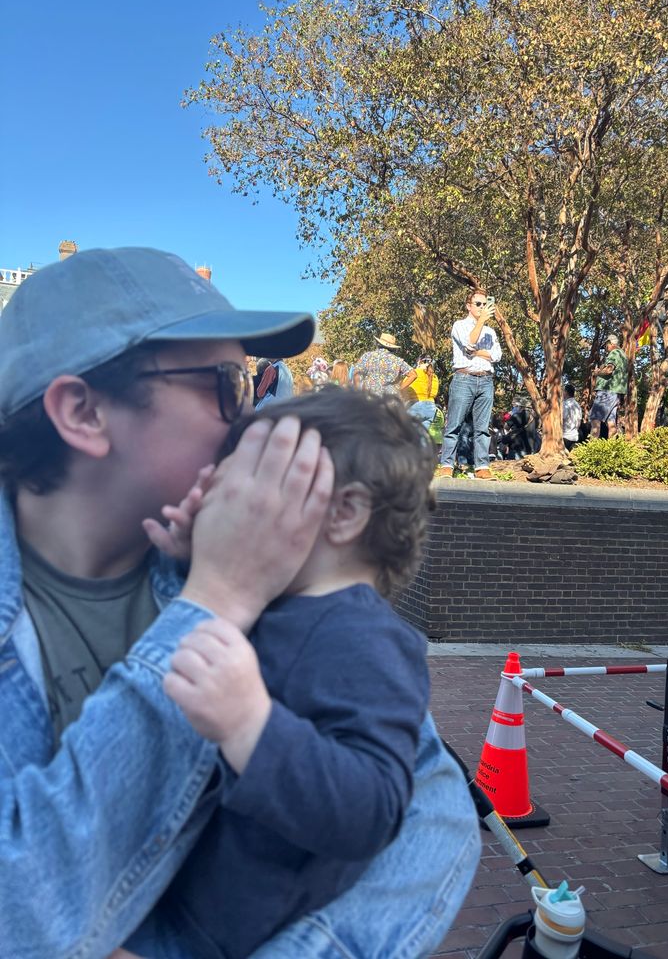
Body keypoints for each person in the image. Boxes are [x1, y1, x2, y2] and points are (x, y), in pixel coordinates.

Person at [0, 247, 480, 958]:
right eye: (225, 384)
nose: (251, 415)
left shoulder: (244, 563)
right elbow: (21, 914)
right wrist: (219, 598)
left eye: (252, 381)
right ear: (83, 411)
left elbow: (428, 804)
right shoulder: (233, 571)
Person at [119, 388, 436, 959]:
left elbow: (373, 808)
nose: (223, 492)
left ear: (343, 513)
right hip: (175, 897)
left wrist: (251, 727)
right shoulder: (279, 601)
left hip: (221, 936)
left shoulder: (368, 641)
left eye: (254, 482)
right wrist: (191, 558)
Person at [436, 291, 502, 479]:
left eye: (484, 304)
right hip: (464, 378)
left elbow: (497, 355)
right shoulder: (460, 325)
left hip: (486, 380)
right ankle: (447, 464)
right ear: (469, 306)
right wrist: (480, 325)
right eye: (478, 304)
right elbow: (468, 344)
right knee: (454, 424)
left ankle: (482, 467)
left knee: (482, 427)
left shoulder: (491, 332)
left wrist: (476, 352)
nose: (482, 307)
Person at [589, 333, 627, 439]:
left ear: (610, 343)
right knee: (611, 422)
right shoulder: (623, 355)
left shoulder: (614, 353)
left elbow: (609, 370)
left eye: (606, 346)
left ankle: (592, 448)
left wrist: (597, 372)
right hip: (616, 393)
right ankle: (612, 449)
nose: (606, 349)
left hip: (607, 391)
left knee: (595, 418)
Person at [407, 355, 440, 430]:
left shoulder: (414, 373)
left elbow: (406, 389)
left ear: (419, 362)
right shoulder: (434, 376)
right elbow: (434, 394)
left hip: (415, 405)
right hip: (431, 408)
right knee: (422, 437)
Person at [562, 383, 583, 451]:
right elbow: (579, 422)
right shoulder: (577, 405)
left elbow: (560, 420)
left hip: (564, 437)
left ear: (566, 392)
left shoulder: (564, 405)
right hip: (575, 437)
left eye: (563, 391)